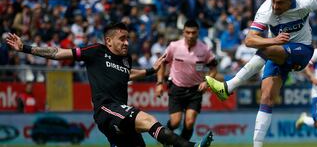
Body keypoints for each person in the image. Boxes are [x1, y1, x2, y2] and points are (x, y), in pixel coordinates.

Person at [6, 22, 213, 147]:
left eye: (128, 39)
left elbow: (127, 75)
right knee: (148, 120)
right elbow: (59, 53)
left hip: (117, 115)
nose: (126, 43)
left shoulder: (125, 60)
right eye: (122, 39)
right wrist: (25, 47)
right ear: (109, 41)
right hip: (106, 109)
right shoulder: (96, 51)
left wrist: (150, 70)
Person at [206, 0, 317, 147]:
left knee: (267, 50)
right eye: (273, 1)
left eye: (279, 3)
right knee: (266, 98)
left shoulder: (305, 0)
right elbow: (249, 40)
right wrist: (273, 40)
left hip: (302, 51)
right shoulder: (266, 10)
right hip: (277, 50)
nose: (275, 5)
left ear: (290, 0)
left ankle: (229, 86)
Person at [156, 20, 218, 144]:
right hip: (176, 87)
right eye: (188, 32)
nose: (190, 35)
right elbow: (162, 63)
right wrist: (159, 83)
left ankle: (181, 145)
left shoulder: (204, 49)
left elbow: (214, 68)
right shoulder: (174, 46)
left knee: (189, 122)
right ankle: (165, 139)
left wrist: (207, 81)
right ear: (183, 32)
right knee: (175, 122)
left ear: (198, 33)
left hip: (195, 90)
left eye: (193, 32)